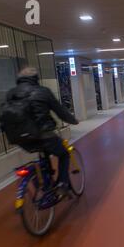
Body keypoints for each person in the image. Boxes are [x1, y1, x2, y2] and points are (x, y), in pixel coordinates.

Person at [6, 67, 79, 195]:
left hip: (20, 138)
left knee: (42, 155)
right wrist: (73, 120)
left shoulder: (11, 94)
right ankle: (62, 183)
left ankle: (46, 183)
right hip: (44, 135)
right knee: (63, 154)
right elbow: (60, 111)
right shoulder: (42, 92)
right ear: (35, 78)